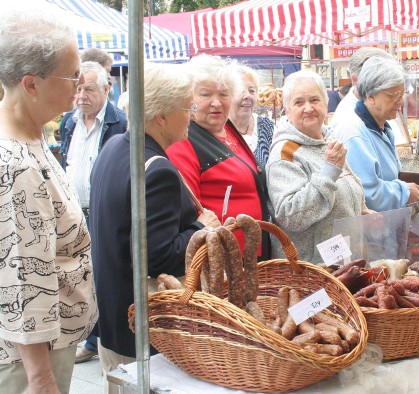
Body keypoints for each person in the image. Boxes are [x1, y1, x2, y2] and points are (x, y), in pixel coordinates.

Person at [89, 62, 220, 382]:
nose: (190, 114)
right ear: (161, 116)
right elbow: (158, 256)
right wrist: (203, 227)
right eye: (186, 107)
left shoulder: (113, 148)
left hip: (113, 317)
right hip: (145, 327)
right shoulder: (157, 169)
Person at [0, 6, 98, 393]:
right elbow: (24, 277)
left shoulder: (32, 136)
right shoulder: (15, 163)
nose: (80, 83)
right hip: (34, 354)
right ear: (31, 84)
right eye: (72, 75)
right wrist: (40, 377)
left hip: (52, 339)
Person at [167, 55, 270, 258]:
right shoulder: (184, 139)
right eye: (205, 94)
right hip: (223, 261)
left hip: (251, 256)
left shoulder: (227, 129)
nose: (216, 102)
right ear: (188, 99)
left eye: (224, 94)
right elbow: (190, 213)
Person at [59, 61, 127, 364]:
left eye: (88, 88)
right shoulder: (69, 122)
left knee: (101, 277)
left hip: (100, 214)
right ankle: (86, 332)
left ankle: (95, 338)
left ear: (106, 89)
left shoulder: (119, 123)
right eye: (78, 88)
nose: (81, 94)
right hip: (73, 213)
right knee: (79, 277)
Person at [267, 70, 368, 264]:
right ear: (286, 110)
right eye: (299, 102)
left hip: (342, 266)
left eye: (314, 100)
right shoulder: (285, 154)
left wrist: (360, 210)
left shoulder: (327, 140)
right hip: (312, 274)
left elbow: (342, 192)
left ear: (326, 103)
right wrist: (329, 171)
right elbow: (291, 216)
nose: (308, 108)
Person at [331, 57, 419, 212]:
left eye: (402, 94)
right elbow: (367, 194)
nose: (400, 101)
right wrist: (404, 192)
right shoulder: (354, 133)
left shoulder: (383, 126)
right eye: (393, 95)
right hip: (370, 230)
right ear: (370, 96)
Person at [329, 47, 393, 130]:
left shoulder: (370, 106)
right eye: (378, 79)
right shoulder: (350, 122)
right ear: (356, 80)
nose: (387, 85)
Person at [228, 64, 275, 168]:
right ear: (227, 95)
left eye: (252, 90)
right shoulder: (219, 129)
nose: (247, 95)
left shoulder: (268, 127)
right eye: (240, 90)